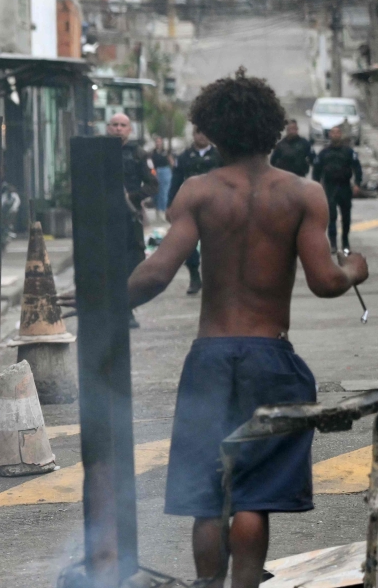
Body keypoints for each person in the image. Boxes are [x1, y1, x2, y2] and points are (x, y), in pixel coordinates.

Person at [127, 68, 368, 588]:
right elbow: (326, 281)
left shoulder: (197, 191)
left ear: (211, 131)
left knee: (208, 496)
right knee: (255, 494)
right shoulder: (303, 194)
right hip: (270, 359)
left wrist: (105, 301)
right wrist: (356, 269)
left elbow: (156, 272)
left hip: (210, 358)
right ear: (275, 129)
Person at [108, 112, 158, 328]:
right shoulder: (100, 151)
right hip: (105, 217)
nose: (118, 128)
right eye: (115, 125)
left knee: (131, 264)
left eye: (123, 125)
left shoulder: (139, 153)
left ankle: (127, 309)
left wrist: (133, 197)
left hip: (130, 217)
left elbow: (152, 185)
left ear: (129, 129)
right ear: (109, 128)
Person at [169, 128, 223, 295]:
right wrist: (170, 205)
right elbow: (176, 181)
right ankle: (194, 276)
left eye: (206, 132)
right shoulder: (184, 156)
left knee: (215, 244)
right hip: (191, 206)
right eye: (199, 132)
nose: (203, 136)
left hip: (216, 204)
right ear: (194, 135)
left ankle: (215, 280)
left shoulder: (220, 156)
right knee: (189, 243)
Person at [312, 125, 363, 252]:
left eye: (338, 132)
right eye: (333, 133)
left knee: (346, 217)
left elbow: (357, 167)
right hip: (329, 187)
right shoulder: (324, 153)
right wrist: (316, 186)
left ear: (341, 135)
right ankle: (333, 244)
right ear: (330, 135)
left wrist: (357, 183)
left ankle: (345, 242)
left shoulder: (348, 151)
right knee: (332, 216)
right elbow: (316, 170)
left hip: (345, 186)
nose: (335, 135)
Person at [150, 136, 174, 217]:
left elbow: (171, 162)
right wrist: (153, 173)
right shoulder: (152, 153)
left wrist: (172, 170)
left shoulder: (166, 152)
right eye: (157, 141)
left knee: (164, 191)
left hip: (165, 171)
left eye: (160, 141)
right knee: (156, 192)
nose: (158, 143)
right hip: (156, 171)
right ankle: (157, 209)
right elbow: (150, 165)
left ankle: (163, 210)